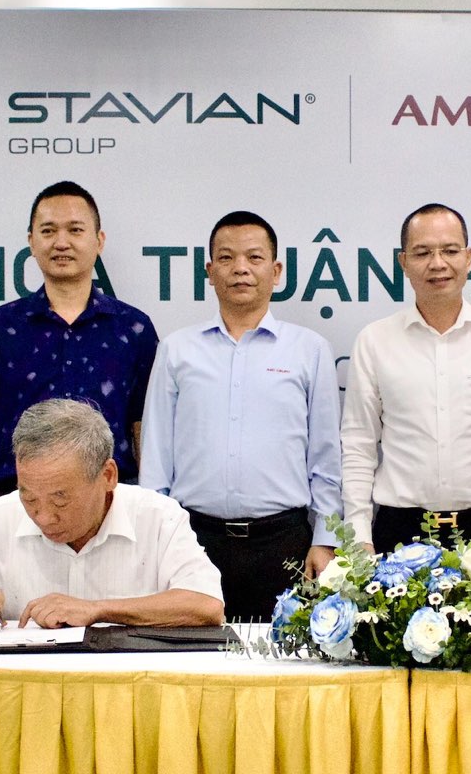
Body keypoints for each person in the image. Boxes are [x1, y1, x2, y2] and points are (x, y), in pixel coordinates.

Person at [140, 211, 341, 620]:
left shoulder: (310, 350)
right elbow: (156, 457)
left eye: (254, 257)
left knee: (285, 657)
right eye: (227, 258)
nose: (241, 269)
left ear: (276, 271)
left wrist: (325, 539)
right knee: (190, 656)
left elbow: (326, 458)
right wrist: (155, 543)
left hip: (284, 542)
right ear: (210, 271)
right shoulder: (177, 350)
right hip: (194, 541)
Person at [341, 203, 471, 581]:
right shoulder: (374, 341)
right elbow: (358, 445)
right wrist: (358, 535)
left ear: (469, 258)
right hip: (398, 533)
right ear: (403, 262)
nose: (437, 263)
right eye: (423, 253)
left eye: (450, 250)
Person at [0, 398, 224, 629]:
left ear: (108, 476)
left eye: (60, 499)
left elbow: (206, 604)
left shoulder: (158, 517)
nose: (43, 517)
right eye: (29, 498)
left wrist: (98, 610)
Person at [0, 180, 158, 506]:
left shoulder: (133, 328)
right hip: (17, 503)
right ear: (31, 241)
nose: (61, 242)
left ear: (99, 241)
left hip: (109, 503)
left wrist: (150, 514)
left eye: (75, 230)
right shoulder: (0, 327)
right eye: (49, 231)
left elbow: (143, 431)